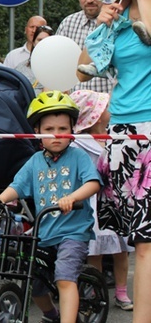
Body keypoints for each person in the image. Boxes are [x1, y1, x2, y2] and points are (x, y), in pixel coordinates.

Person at [80, 0, 151, 322]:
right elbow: (83, 67)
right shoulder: (119, 14)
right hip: (122, 136)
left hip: (149, 130)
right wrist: (103, 26)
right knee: (140, 241)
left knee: (146, 245)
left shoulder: (146, 4)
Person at [0, 91, 101, 323]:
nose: (56, 135)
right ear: (38, 131)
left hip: (73, 233)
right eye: (49, 130)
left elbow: (93, 183)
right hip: (44, 233)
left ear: (72, 131)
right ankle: (51, 315)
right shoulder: (35, 161)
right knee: (35, 282)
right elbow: (18, 185)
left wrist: (73, 197)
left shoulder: (78, 157)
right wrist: (1, 197)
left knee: (65, 278)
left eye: (62, 129)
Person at [69, 90, 134, 311]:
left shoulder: (114, 135)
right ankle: (95, 290)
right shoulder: (79, 143)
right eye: (105, 107)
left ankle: (122, 292)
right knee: (95, 250)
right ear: (94, 115)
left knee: (121, 249)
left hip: (115, 200)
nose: (109, 110)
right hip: (93, 203)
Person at [55, 0, 114, 93]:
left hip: (110, 108)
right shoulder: (68, 24)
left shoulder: (117, 22)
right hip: (75, 108)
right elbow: (57, 70)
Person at [13, 24, 54, 95]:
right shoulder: (21, 68)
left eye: (46, 40)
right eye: (39, 40)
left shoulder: (59, 68)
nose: (42, 43)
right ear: (34, 43)